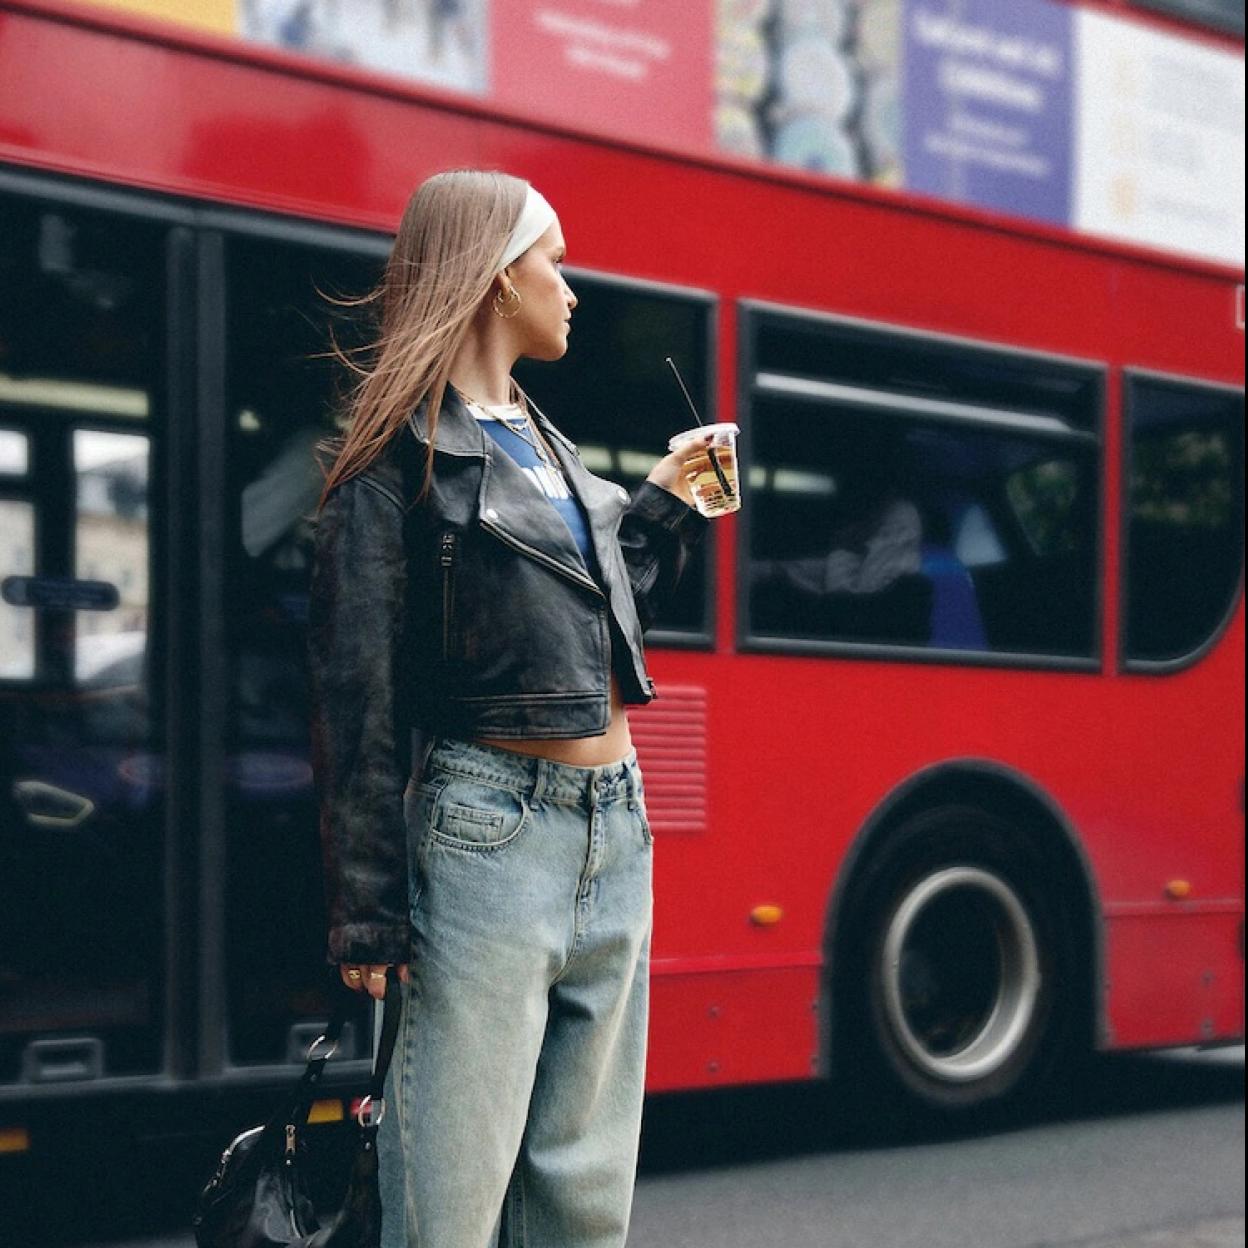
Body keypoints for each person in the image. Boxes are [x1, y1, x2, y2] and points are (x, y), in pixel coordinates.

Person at [307, 169, 715, 1248]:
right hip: (487, 836)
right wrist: (367, 906)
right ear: (497, 277)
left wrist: (668, 505)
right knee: (451, 1198)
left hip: (616, 829)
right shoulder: (397, 459)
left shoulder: (551, 447)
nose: (571, 287)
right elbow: (359, 690)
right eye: (556, 259)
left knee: (581, 1202)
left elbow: (591, 623)